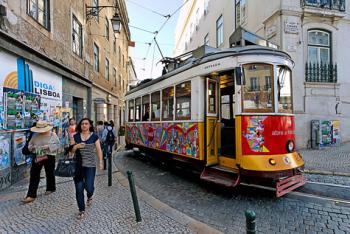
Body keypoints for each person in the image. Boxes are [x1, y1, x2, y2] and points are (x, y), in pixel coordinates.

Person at [70, 118, 103, 219]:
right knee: (79, 189)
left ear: (89, 125)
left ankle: (89, 195)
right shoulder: (75, 137)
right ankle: (81, 210)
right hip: (78, 167)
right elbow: (70, 151)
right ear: (80, 125)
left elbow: (98, 150)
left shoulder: (94, 137)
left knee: (89, 187)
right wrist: (76, 147)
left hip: (90, 166)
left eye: (86, 123)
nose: (84, 125)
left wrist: (101, 161)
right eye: (82, 124)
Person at [22, 121, 60, 204]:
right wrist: (33, 147)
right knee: (34, 174)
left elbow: (57, 145)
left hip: (49, 155)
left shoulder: (52, 135)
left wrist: (48, 146)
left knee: (49, 172)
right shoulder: (35, 135)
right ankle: (31, 195)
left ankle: (50, 188)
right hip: (38, 155)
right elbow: (29, 145)